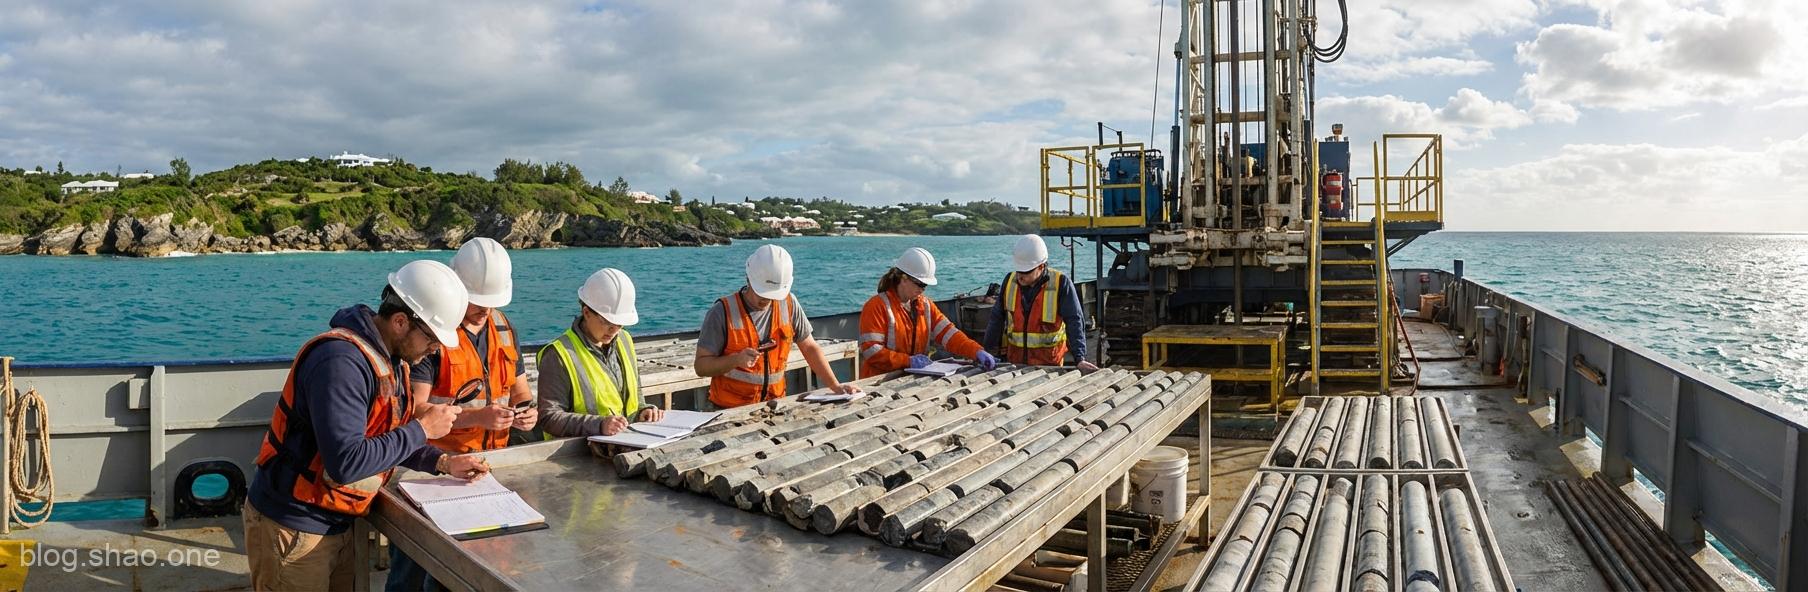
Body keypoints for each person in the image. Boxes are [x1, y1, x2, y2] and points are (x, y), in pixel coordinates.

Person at [244, 260, 490, 591]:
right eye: (433, 340)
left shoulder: (393, 361)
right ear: (401, 322)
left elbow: (386, 436)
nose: (435, 350)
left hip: (338, 523)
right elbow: (346, 462)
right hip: (294, 527)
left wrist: (442, 461)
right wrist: (423, 429)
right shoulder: (341, 363)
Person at [388, 238, 537, 592]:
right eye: (478, 301)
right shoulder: (433, 331)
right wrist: (477, 418)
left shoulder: (504, 327)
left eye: (492, 302)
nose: (485, 310)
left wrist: (526, 412)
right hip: (430, 468)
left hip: (486, 469)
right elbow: (415, 410)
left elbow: (520, 390)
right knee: (412, 570)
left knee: (471, 568)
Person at [694, 244, 859, 408]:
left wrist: (836, 386)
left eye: (774, 294)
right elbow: (701, 367)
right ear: (749, 278)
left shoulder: (788, 304)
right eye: (762, 293)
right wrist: (736, 360)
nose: (767, 299)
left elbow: (809, 347)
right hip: (728, 409)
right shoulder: (722, 311)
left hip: (774, 406)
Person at [535, 268, 666, 438]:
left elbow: (635, 395)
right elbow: (548, 417)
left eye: (620, 324)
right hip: (576, 455)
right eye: (607, 322)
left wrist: (643, 410)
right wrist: (598, 425)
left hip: (627, 443)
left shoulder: (624, 340)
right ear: (586, 312)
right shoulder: (558, 355)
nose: (614, 330)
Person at [857, 247, 996, 377]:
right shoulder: (876, 306)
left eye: (926, 285)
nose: (923, 289)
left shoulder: (925, 305)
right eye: (920, 284)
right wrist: (907, 361)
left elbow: (950, 335)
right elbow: (872, 351)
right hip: (879, 381)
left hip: (911, 378)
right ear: (903, 278)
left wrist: (976, 351)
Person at [983, 235, 1096, 370]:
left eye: (1026, 272)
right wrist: (986, 350)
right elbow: (996, 318)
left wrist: (1080, 358)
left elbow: (1074, 321)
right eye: (1018, 270)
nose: (1020, 276)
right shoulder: (1010, 281)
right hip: (1015, 364)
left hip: (1050, 367)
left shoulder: (1060, 283)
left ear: (1041, 266)